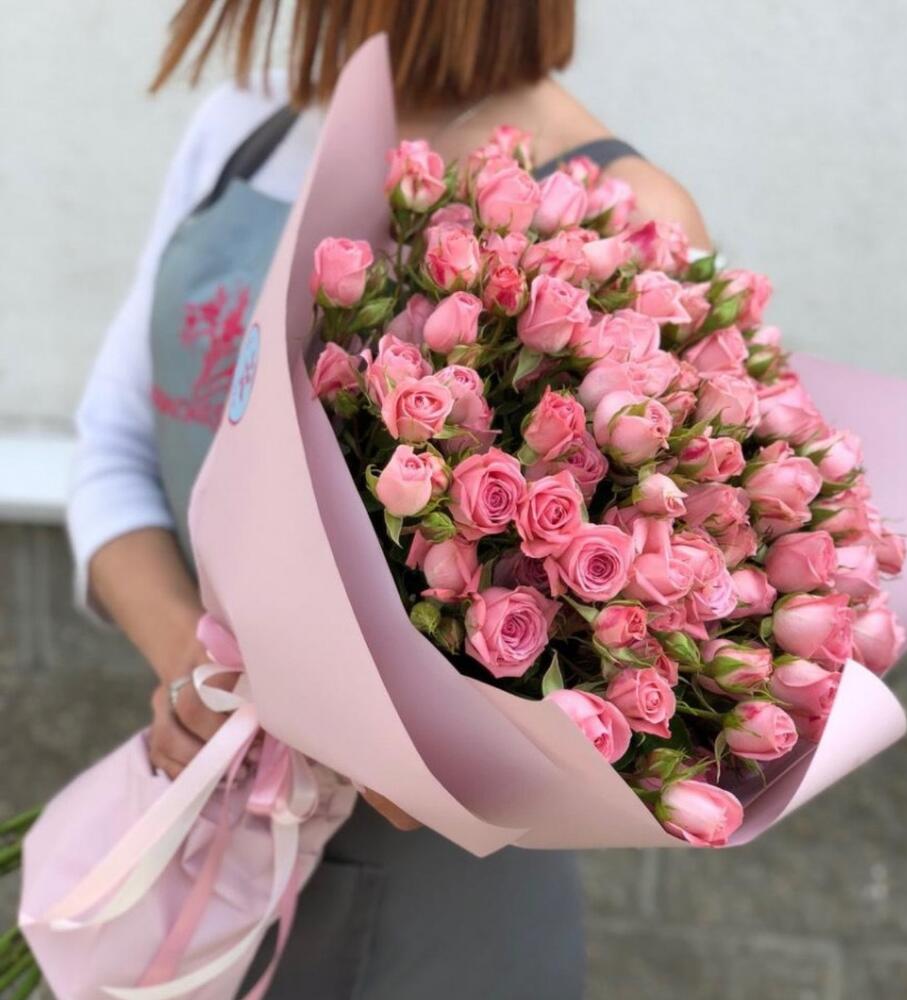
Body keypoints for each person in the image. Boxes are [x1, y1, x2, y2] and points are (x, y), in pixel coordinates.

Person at [67, 1, 711, 995]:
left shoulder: (622, 212)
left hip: (440, 908)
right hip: (204, 827)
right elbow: (113, 452)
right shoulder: (248, 127)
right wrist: (202, 679)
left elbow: (632, 635)